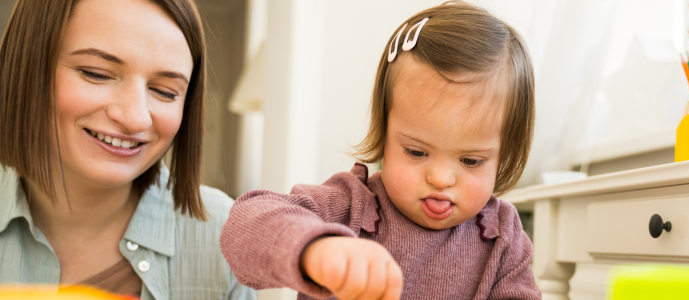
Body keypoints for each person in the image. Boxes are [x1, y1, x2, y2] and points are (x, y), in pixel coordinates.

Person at [220, 1, 541, 299]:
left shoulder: (503, 239)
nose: (441, 178)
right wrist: (316, 248)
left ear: (503, 155)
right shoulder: (349, 206)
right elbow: (242, 227)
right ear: (384, 133)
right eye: (416, 152)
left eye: (471, 160)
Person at [0, 0, 256, 299]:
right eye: (96, 73)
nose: (136, 118)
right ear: (25, 67)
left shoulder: (226, 236)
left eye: (165, 92)